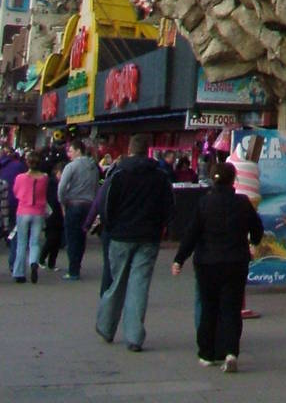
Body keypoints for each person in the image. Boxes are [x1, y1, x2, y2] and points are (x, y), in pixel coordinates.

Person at [172, 158, 264, 373]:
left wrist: (179, 259)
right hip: (235, 262)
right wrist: (253, 242)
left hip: (207, 263)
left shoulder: (204, 203)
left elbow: (192, 233)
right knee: (231, 308)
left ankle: (207, 353)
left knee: (209, 307)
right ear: (233, 180)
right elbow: (257, 229)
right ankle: (230, 351)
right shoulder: (242, 203)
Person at [94, 134, 174, 352]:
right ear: (147, 150)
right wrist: (161, 227)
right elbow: (168, 206)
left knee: (117, 282)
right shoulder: (160, 176)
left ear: (129, 150)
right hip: (149, 236)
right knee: (140, 285)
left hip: (120, 234)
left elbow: (105, 204)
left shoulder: (119, 174)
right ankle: (134, 336)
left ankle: (106, 326)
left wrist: (110, 226)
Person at [57, 140, 101, 280]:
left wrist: (62, 201)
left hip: (73, 204)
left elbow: (62, 186)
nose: (68, 154)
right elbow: (96, 186)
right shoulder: (93, 167)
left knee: (72, 237)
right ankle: (77, 265)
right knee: (81, 237)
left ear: (78, 150)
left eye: (70, 151)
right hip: (88, 205)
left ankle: (73, 270)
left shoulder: (71, 166)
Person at [12, 153, 49, 283]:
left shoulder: (20, 177)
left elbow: (16, 192)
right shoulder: (44, 178)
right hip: (38, 212)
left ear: (27, 163)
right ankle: (33, 262)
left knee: (21, 243)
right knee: (35, 242)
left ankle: (19, 272)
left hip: (23, 210)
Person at [40, 161, 64, 270]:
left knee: (57, 240)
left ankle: (51, 263)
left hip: (59, 214)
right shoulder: (51, 183)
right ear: (57, 172)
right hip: (51, 213)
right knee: (51, 238)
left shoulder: (62, 184)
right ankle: (42, 258)